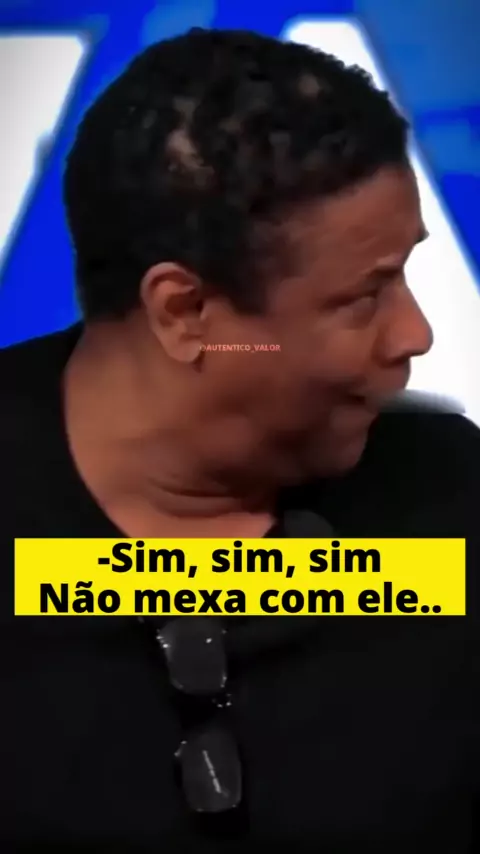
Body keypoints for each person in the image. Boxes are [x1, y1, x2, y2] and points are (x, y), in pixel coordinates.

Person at [1, 27, 479, 853]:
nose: (416, 334)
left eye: (405, 271)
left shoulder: (447, 502)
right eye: (363, 296)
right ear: (187, 313)